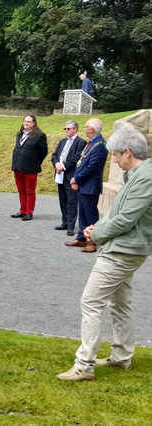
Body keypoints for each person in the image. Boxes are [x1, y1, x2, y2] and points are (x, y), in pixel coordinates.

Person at [56, 125, 152, 381]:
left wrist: (96, 235)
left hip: (123, 250)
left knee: (91, 302)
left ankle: (84, 365)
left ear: (128, 153)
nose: (116, 161)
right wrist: (96, 226)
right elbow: (118, 213)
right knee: (121, 303)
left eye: (117, 156)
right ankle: (121, 357)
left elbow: (126, 220)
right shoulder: (139, 174)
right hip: (124, 247)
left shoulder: (146, 177)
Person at [66, 118, 108, 252]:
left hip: (90, 185)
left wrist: (76, 179)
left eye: (86, 127)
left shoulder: (100, 145)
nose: (84, 129)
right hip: (84, 184)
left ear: (93, 129)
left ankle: (92, 241)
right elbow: (82, 162)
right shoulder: (92, 143)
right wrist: (77, 179)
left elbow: (92, 167)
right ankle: (82, 238)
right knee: (83, 213)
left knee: (91, 215)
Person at [10, 115, 48, 221]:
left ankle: (29, 212)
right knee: (21, 190)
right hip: (18, 167)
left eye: (29, 121)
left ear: (34, 123)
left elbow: (43, 152)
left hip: (31, 168)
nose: (26, 123)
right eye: (25, 121)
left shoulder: (40, 135)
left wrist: (35, 162)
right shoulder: (19, 134)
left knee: (30, 191)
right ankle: (22, 210)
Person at [51, 120, 86, 234]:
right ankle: (65, 223)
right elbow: (55, 155)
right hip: (60, 175)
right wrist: (56, 164)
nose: (66, 130)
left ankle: (71, 226)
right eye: (65, 129)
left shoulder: (81, 142)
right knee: (63, 200)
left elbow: (76, 158)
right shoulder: (62, 142)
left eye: (68, 129)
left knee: (71, 201)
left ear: (75, 129)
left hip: (71, 176)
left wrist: (63, 166)